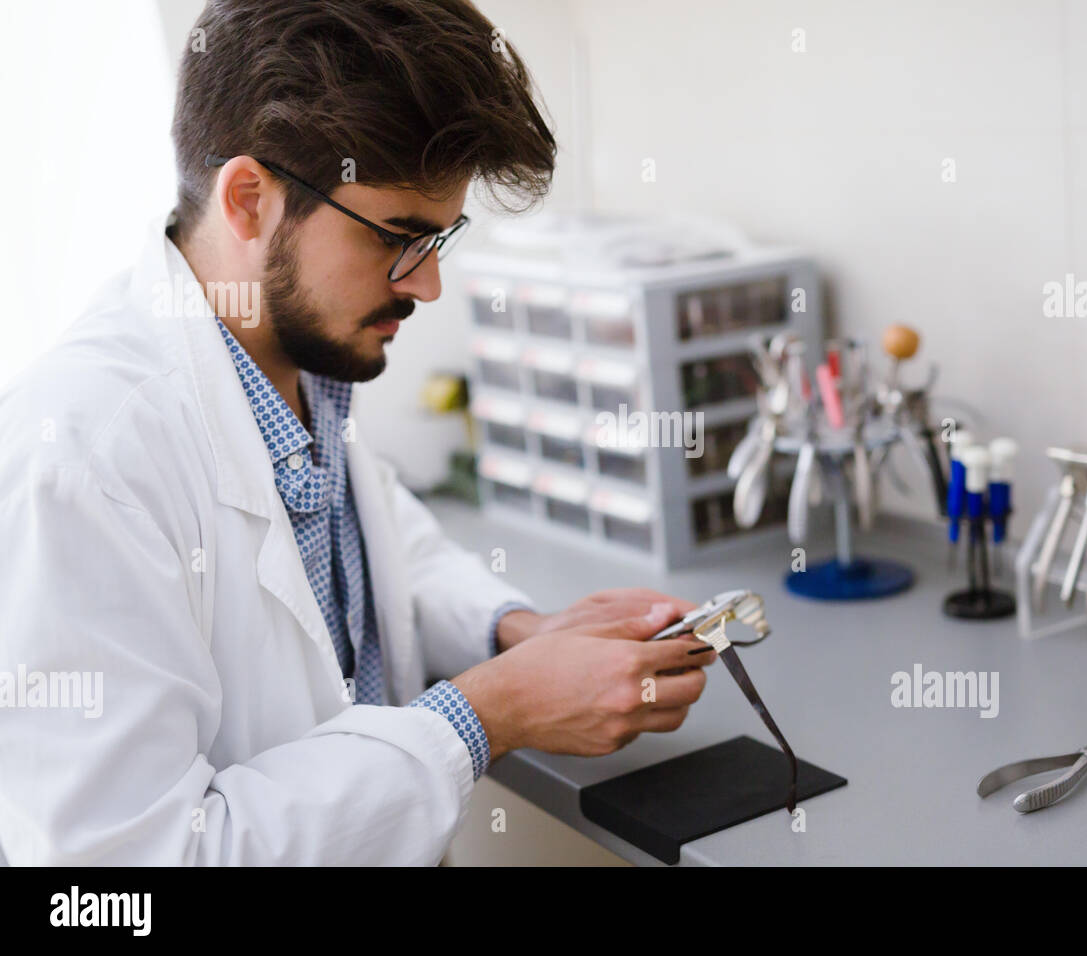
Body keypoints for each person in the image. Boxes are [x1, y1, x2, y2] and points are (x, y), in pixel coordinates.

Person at [0, 0, 712, 865]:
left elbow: (373, 556)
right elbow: (126, 875)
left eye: (442, 237)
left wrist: (516, 632)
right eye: (400, 237)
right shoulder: (81, 460)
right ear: (250, 200)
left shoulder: (287, 364)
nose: (429, 286)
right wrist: (491, 711)